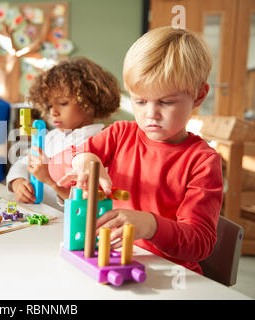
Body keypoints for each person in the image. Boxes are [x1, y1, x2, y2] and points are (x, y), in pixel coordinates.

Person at [49, 27, 223, 274]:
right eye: (140, 101)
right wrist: (82, 159)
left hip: (169, 274)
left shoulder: (203, 161)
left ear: (198, 96)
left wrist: (151, 226)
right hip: (114, 260)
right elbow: (55, 167)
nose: (151, 113)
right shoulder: (120, 134)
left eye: (166, 102)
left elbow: (200, 243)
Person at [6, 57, 121, 209]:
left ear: (89, 101)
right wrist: (18, 183)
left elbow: (90, 203)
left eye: (63, 103)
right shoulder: (51, 137)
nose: (53, 112)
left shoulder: (101, 142)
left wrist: (49, 180)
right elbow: (21, 164)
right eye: (49, 106)